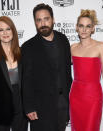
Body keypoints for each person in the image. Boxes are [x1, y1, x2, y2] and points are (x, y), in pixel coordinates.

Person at [21, 3, 72, 131]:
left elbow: (67, 72)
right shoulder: (28, 47)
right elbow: (26, 80)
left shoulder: (63, 39)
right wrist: (29, 107)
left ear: (53, 19)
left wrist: (70, 102)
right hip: (40, 108)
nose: (43, 23)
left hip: (62, 105)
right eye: (39, 20)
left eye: (46, 19)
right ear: (35, 22)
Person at [69, 9, 103, 131]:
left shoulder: (101, 47)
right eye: (81, 26)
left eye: (88, 26)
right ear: (76, 27)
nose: (84, 29)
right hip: (75, 96)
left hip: (93, 96)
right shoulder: (72, 48)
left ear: (93, 28)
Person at [0, 16, 28, 131]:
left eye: (8, 29)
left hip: (21, 108)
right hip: (0, 109)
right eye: (1, 30)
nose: (5, 33)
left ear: (13, 31)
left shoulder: (23, 53)